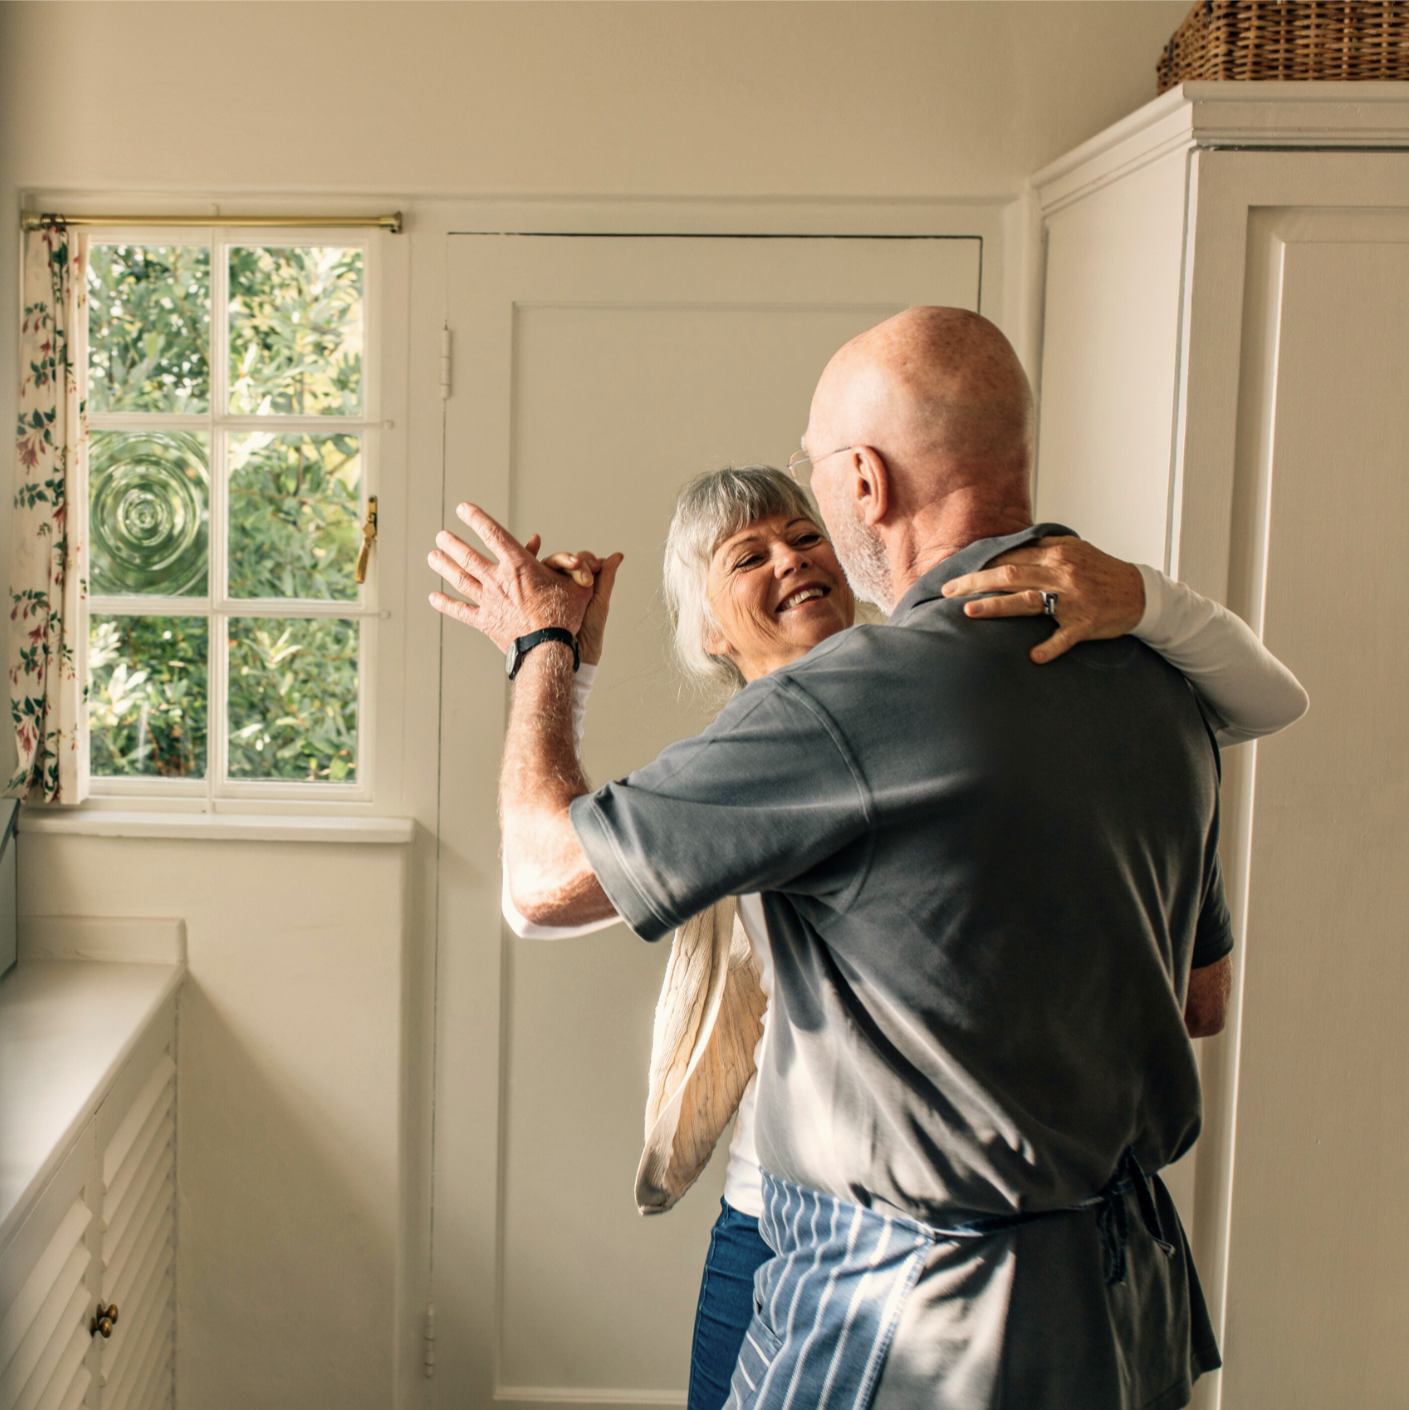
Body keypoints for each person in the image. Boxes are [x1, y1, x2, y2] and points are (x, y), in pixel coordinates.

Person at [425, 307, 1305, 1410]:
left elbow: (542, 882)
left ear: (865, 483)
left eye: (812, 478)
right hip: (1126, 1313)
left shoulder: (854, 703)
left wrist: (541, 648)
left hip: (920, 1319)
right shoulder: (1161, 685)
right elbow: (1202, 993)